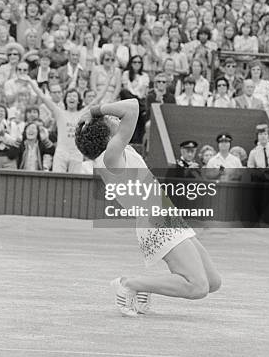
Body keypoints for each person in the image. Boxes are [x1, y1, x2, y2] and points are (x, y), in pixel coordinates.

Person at [74, 99, 221, 316]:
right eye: (109, 120)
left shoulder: (117, 151)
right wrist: (93, 110)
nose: (114, 119)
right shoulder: (110, 155)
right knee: (198, 287)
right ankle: (129, 284)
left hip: (165, 216)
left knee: (213, 281)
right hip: (156, 221)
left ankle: (144, 287)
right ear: (105, 136)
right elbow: (132, 107)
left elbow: (128, 111)